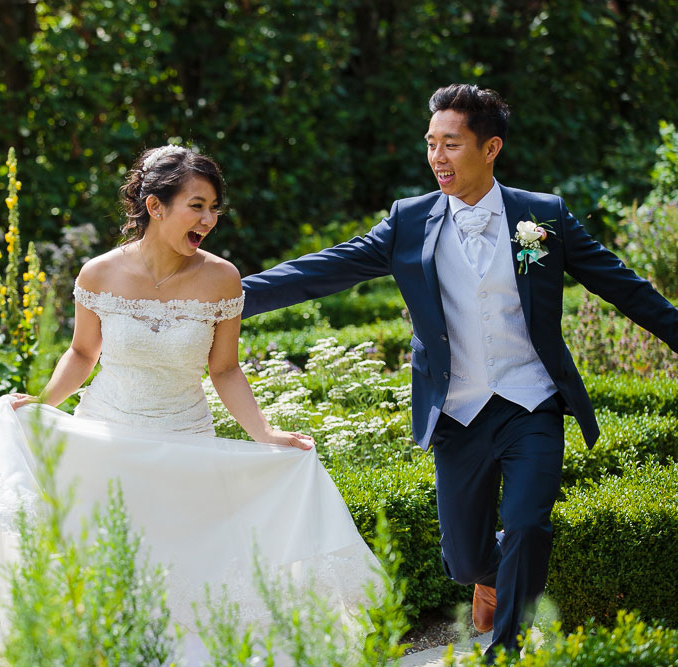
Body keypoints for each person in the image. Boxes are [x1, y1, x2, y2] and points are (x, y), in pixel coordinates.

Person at [240, 83, 678, 659]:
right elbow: (325, 269)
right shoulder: (407, 222)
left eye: (451, 144)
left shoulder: (541, 218)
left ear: (490, 147)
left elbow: (624, 286)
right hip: (457, 410)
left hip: (532, 402)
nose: (437, 157)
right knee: (465, 557)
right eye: (431, 144)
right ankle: (491, 578)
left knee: (526, 524)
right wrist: (227, 296)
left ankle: (507, 647)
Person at [0, 144, 380, 661]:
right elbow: (81, 352)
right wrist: (43, 403)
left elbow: (224, 369)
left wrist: (265, 435)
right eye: (197, 206)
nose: (209, 219)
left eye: (214, 209)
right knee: (101, 568)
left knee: (183, 574)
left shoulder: (223, 278)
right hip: (104, 441)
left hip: (184, 445)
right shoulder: (98, 273)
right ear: (155, 206)